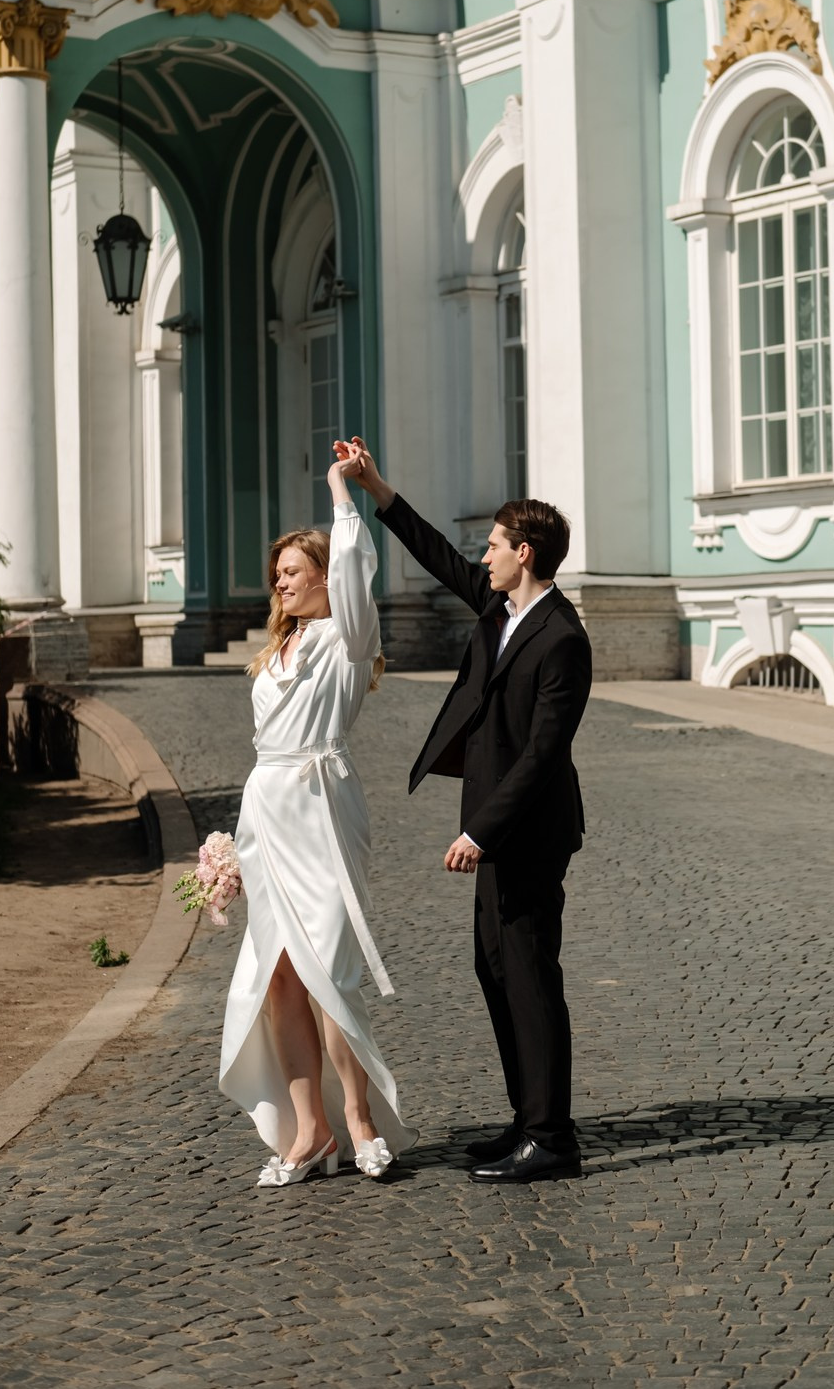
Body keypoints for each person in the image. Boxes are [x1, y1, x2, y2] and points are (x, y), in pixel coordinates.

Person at [347, 436, 592, 1184]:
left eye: (492, 546)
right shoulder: (499, 608)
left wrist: (479, 832)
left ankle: (551, 1138)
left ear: (525, 551)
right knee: (493, 967)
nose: (481, 556)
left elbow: (544, 756)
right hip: (493, 826)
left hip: (527, 831)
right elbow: (434, 554)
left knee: (528, 973)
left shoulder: (563, 638)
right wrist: (377, 488)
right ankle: (527, 1118)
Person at [218, 441, 415, 1188]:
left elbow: (359, 575)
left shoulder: (345, 641)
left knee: (328, 966)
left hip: (324, 808)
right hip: (267, 812)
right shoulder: (276, 651)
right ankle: (310, 1132)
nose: (281, 582)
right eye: (278, 575)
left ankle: (362, 1121)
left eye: (294, 572)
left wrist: (342, 489)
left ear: (326, 578)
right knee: (278, 979)